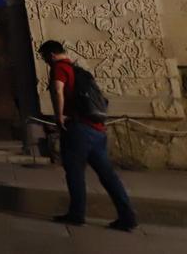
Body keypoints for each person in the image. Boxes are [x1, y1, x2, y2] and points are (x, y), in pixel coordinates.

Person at [38, 41, 137, 231]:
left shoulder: (59, 69)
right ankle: (127, 216)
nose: (45, 61)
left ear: (50, 55)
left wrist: (59, 116)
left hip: (78, 128)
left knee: (75, 172)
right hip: (97, 129)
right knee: (107, 175)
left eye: (44, 57)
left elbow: (58, 90)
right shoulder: (80, 71)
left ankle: (77, 214)